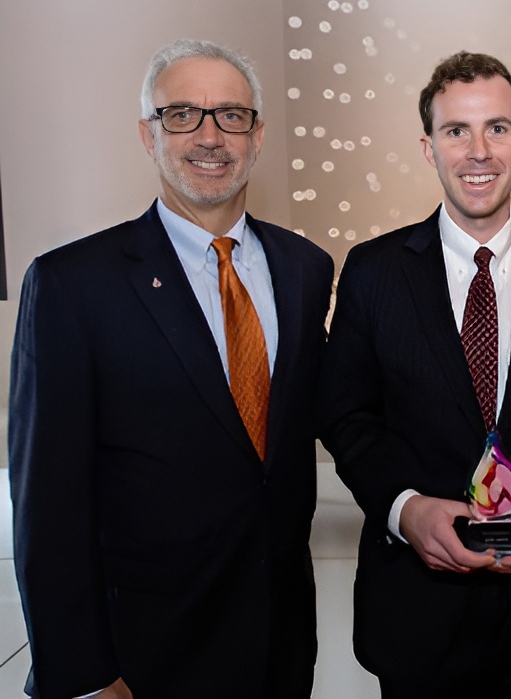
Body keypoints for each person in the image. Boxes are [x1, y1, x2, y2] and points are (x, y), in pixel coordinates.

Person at [9, 39, 333, 699]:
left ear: (258, 134)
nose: (210, 136)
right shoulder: (75, 284)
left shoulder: (305, 270)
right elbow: (48, 500)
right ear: (147, 135)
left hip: (280, 641)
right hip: (142, 655)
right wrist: (86, 674)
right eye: (182, 114)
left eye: (231, 116)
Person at [320, 51, 511, 699]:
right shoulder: (374, 272)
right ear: (428, 147)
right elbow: (347, 416)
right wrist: (405, 511)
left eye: (496, 128)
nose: (478, 151)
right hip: (418, 613)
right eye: (455, 131)